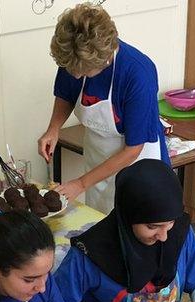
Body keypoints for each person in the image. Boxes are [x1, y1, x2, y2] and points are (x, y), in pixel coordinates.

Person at [52, 159, 195, 302]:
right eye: (152, 226)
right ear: (128, 217)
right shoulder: (89, 254)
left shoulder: (179, 234)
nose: (164, 236)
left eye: (170, 223)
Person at [38, 3, 169, 213]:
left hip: (137, 162)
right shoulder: (74, 56)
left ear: (103, 58)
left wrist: (80, 184)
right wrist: (53, 129)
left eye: (82, 71)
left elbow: (133, 149)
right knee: (99, 222)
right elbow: (66, 93)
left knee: (135, 226)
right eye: (70, 69)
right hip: (97, 158)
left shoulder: (138, 73)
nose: (75, 75)